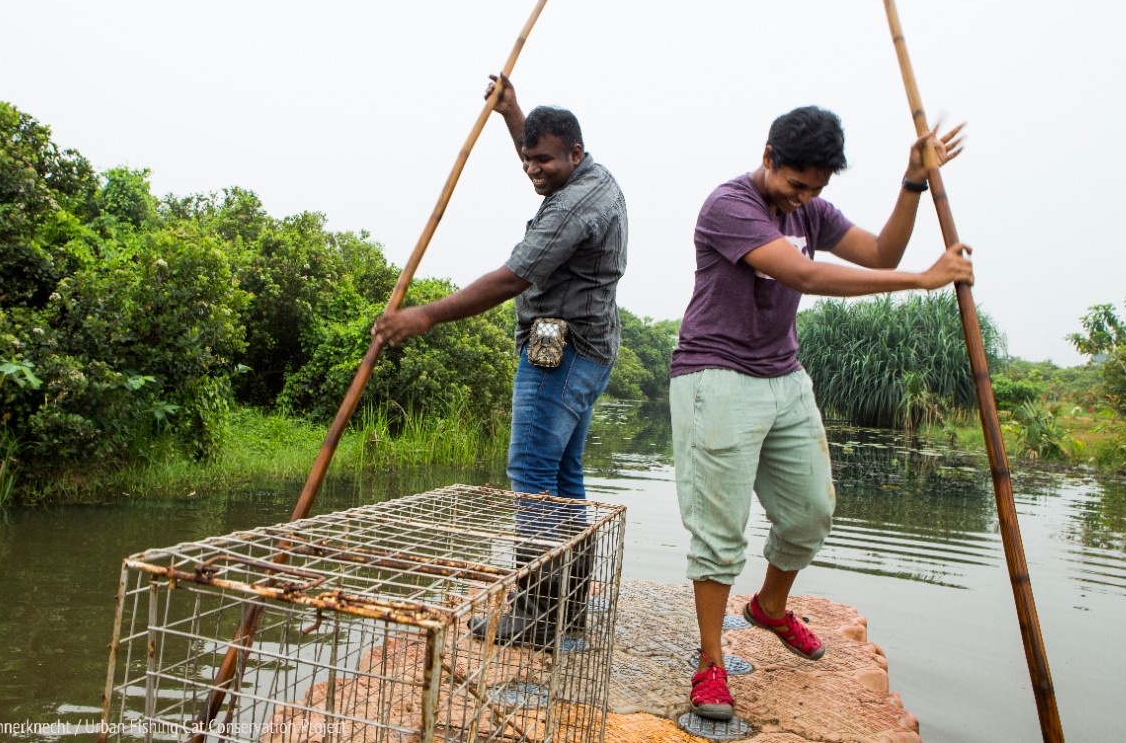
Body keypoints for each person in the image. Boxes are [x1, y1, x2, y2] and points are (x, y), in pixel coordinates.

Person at [670, 105, 972, 720]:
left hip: (784, 376)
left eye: (814, 188)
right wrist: (922, 281)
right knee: (720, 534)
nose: (801, 198)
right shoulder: (728, 206)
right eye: (795, 184)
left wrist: (912, 181)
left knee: (811, 512)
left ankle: (771, 608)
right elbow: (804, 274)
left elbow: (881, 252)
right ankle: (709, 665)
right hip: (715, 376)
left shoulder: (813, 208)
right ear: (768, 157)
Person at [372, 75, 627, 644]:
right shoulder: (590, 176)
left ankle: (535, 614)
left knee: (534, 478)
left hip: (560, 355)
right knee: (564, 479)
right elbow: (538, 154)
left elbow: (513, 277)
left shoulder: (573, 208)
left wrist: (424, 316)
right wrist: (513, 114)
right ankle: (570, 609)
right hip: (592, 349)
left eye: (543, 161)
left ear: (574, 153)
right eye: (527, 160)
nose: (533, 169)